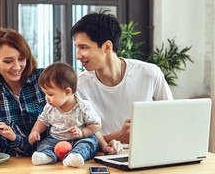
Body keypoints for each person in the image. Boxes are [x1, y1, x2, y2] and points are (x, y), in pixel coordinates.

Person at [71, 11, 173, 152]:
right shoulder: (79, 86)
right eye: (77, 47)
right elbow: (77, 139)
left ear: (107, 47)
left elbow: (172, 119)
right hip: (102, 157)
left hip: (149, 154)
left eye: (83, 47)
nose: (77, 56)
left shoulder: (149, 73)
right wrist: (118, 137)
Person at [0, 28, 47, 155]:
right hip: (12, 164)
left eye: (21, 59)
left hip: (53, 158)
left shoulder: (44, 79)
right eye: (8, 61)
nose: (17, 67)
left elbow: (75, 110)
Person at [28, 63, 101, 168]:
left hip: (78, 139)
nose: (46, 98)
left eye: (50, 94)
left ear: (67, 92)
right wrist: (35, 131)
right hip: (55, 139)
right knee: (44, 144)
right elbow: (42, 121)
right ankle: (47, 156)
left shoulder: (83, 107)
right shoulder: (49, 107)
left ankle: (75, 156)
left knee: (90, 142)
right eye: (45, 94)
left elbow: (96, 124)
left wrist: (83, 132)